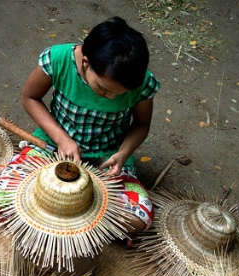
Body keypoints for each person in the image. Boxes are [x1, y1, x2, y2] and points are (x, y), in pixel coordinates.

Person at [19, 16, 158, 234]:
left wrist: (123, 153)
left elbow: (142, 123)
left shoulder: (142, 84)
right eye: (104, 88)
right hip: (54, 146)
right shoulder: (58, 59)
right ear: (86, 62)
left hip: (107, 157)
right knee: (4, 194)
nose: (111, 97)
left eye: (120, 93)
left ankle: (68, 223)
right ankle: (89, 225)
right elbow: (30, 97)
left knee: (137, 218)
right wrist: (62, 139)